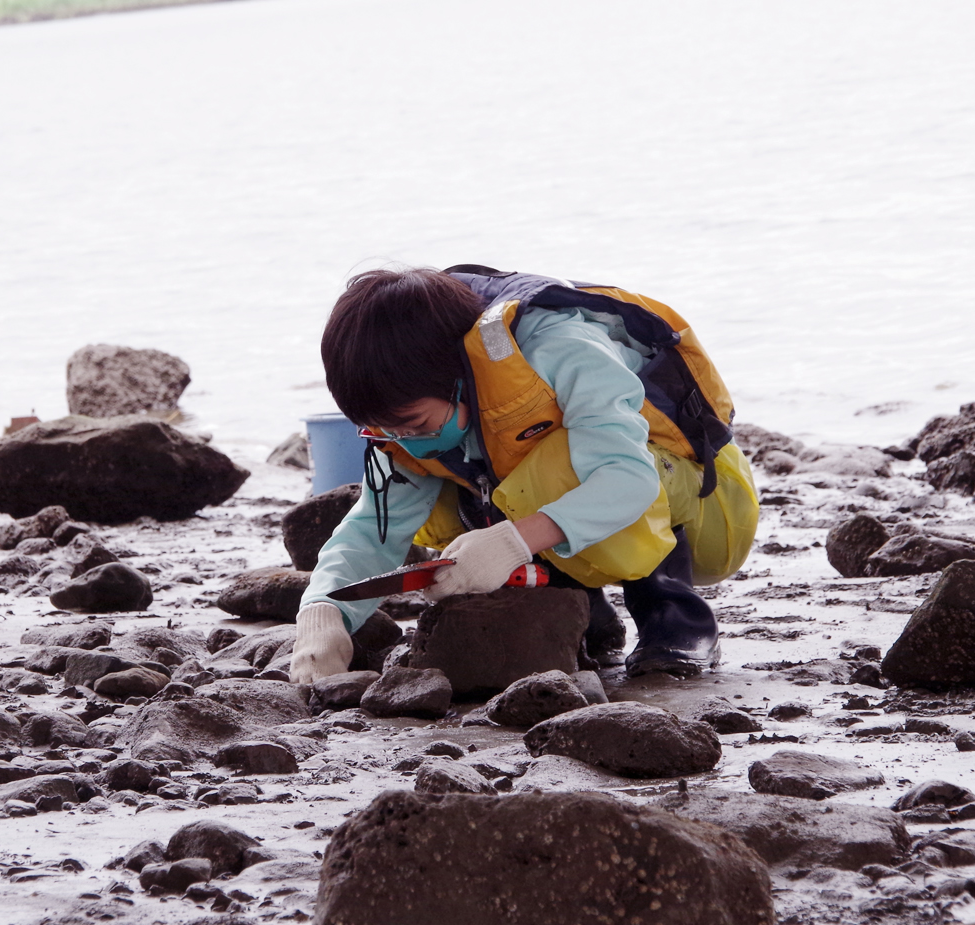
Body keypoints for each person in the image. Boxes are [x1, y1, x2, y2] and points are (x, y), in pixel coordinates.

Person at [290, 265, 759, 684]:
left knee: (557, 469)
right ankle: (584, 615)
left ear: (458, 374)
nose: (403, 439)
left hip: (701, 500)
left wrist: (511, 544)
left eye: (415, 425)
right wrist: (323, 613)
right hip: (559, 497)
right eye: (383, 429)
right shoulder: (408, 419)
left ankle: (676, 623)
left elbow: (627, 479)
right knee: (465, 492)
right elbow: (374, 527)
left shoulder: (560, 348)